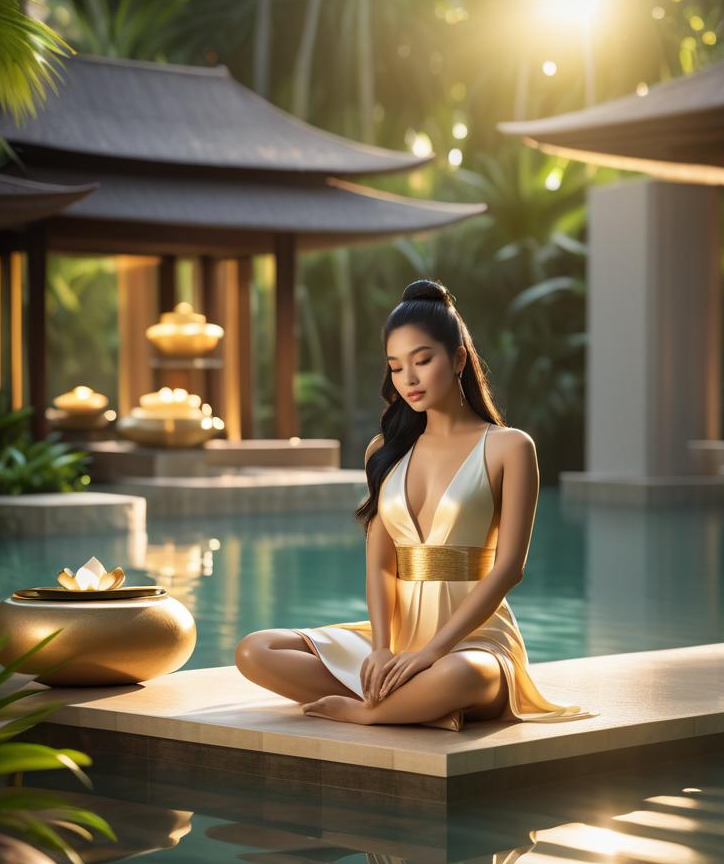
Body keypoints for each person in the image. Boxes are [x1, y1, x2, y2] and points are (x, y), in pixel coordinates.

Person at [234, 278, 592, 730]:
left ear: (458, 358)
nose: (410, 379)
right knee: (255, 650)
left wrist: (433, 652)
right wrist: (382, 648)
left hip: (470, 644)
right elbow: (381, 564)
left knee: (464, 675)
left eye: (422, 360)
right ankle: (405, 699)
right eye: (397, 367)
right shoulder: (384, 450)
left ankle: (370, 712)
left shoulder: (509, 447)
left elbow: (509, 569)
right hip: (399, 639)